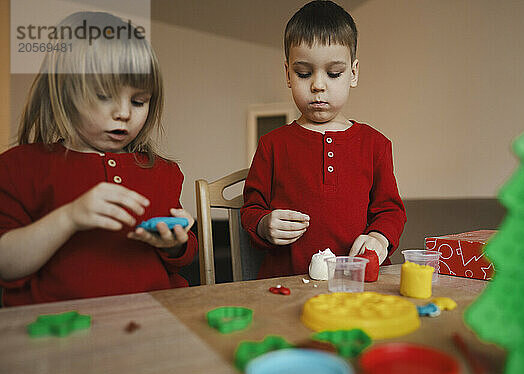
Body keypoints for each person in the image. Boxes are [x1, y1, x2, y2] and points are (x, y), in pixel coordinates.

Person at [0, 12, 197, 306]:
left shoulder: (163, 171)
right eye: (104, 96)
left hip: (155, 321)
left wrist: (176, 243)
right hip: (59, 330)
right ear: (65, 94)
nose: (124, 113)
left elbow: (181, 257)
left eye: (138, 101)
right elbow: (6, 264)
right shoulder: (20, 166)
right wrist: (69, 217)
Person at [241, 0, 406, 278]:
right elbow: (251, 209)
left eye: (333, 73)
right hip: (287, 285)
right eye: (304, 73)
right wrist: (263, 224)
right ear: (288, 74)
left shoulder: (376, 144)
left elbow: (390, 210)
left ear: (353, 73)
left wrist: (379, 238)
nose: (318, 85)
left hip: (359, 285)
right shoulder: (272, 145)